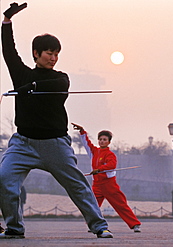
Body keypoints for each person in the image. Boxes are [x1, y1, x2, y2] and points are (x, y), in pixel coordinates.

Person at [0, 2, 113, 239]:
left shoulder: (61, 78)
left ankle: (99, 226)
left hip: (55, 145)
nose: (53, 58)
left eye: (56, 54)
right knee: (4, 179)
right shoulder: (21, 74)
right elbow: (9, 52)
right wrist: (7, 21)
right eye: (49, 53)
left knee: (77, 186)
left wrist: (31, 87)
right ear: (36, 54)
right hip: (22, 143)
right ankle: (14, 228)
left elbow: (59, 87)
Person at [72, 123, 142, 233]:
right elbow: (86, 143)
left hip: (109, 185)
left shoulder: (110, 155)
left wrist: (99, 169)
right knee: (92, 205)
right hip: (97, 185)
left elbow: (111, 165)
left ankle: (135, 225)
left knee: (120, 205)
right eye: (100, 139)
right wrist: (82, 131)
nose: (102, 141)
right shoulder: (94, 151)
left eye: (104, 139)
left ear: (109, 142)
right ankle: (94, 225)